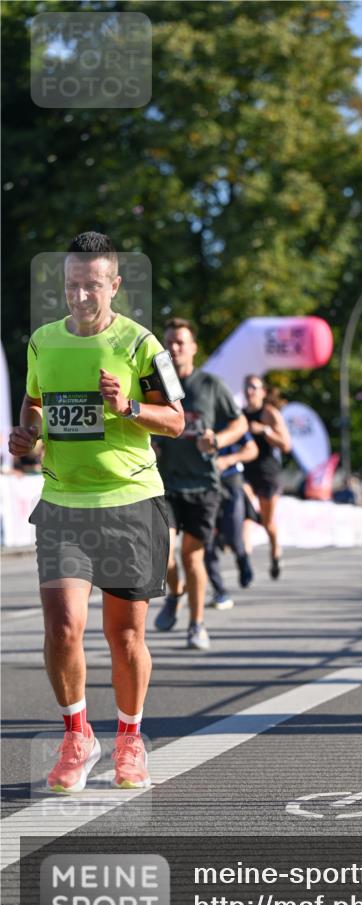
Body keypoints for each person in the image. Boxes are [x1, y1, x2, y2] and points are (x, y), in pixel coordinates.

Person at [8, 231, 184, 793]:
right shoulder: (42, 342)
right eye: (72, 285)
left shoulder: (141, 345)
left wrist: (129, 406)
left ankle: (130, 739)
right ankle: (77, 734)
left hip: (130, 502)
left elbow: (178, 420)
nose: (81, 296)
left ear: (114, 285)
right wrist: (26, 438)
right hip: (62, 502)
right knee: (62, 628)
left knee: (124, 636)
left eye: (92, 285)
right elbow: (35, 408)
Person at [153, 318, 247, 648]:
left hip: (203, 485)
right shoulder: (155, 387)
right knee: (162, 554)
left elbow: (240, 424)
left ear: (193, 347)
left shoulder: (209, 385)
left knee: (193, 558)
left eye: (180, 342)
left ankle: (196, 625)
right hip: (164, 483)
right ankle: (174, 592)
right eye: (169, 342)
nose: (174, 348)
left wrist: (217, 440)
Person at [242, 374, 292, 579]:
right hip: (246, 471)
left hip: (268, 473)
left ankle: (275, 553)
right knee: (244, 513)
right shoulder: (241, 415)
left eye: (254, 387)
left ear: (263, 392)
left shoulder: (269, 414)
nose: (249, 391)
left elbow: (286, 445)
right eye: (247, 387)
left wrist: (265, 431)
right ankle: (244, 560)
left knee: (268, 521)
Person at [204, 429, 258, 607]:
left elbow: (252, 450)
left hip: (230, 480)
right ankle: (220, 591)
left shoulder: (230, 416)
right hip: (203, 484)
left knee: (234, 535)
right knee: (206, 540)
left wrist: (228, 460)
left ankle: (242, 557)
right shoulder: (193, 415)